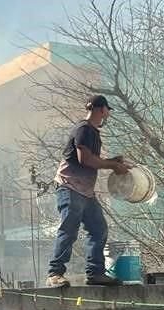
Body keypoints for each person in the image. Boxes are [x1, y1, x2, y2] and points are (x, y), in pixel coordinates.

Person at [47, 95, 131, 289]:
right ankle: (55, 273)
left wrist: (112, 161)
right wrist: (112, 165)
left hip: (85, 191)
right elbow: (86, 160)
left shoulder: (92, 132)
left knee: (98, 228)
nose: (108, 114)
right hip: (70, 187)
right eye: (108, 110)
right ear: (101, 110)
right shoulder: (84, 129)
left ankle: (95, 273)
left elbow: (92, 159)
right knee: (69, 228)